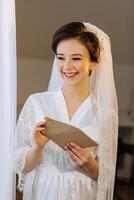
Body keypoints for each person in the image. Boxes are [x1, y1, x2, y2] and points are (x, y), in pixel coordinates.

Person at [13, 22, 118, 200]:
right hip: (42, 192)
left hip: (82, 194)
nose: (67, 66)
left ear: (93, 62)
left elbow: (105, 179)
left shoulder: (106, 115)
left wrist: (89, 163)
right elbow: (22, 166)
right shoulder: (36, 103)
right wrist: (37, 148)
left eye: (76, 58)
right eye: (60, 58)